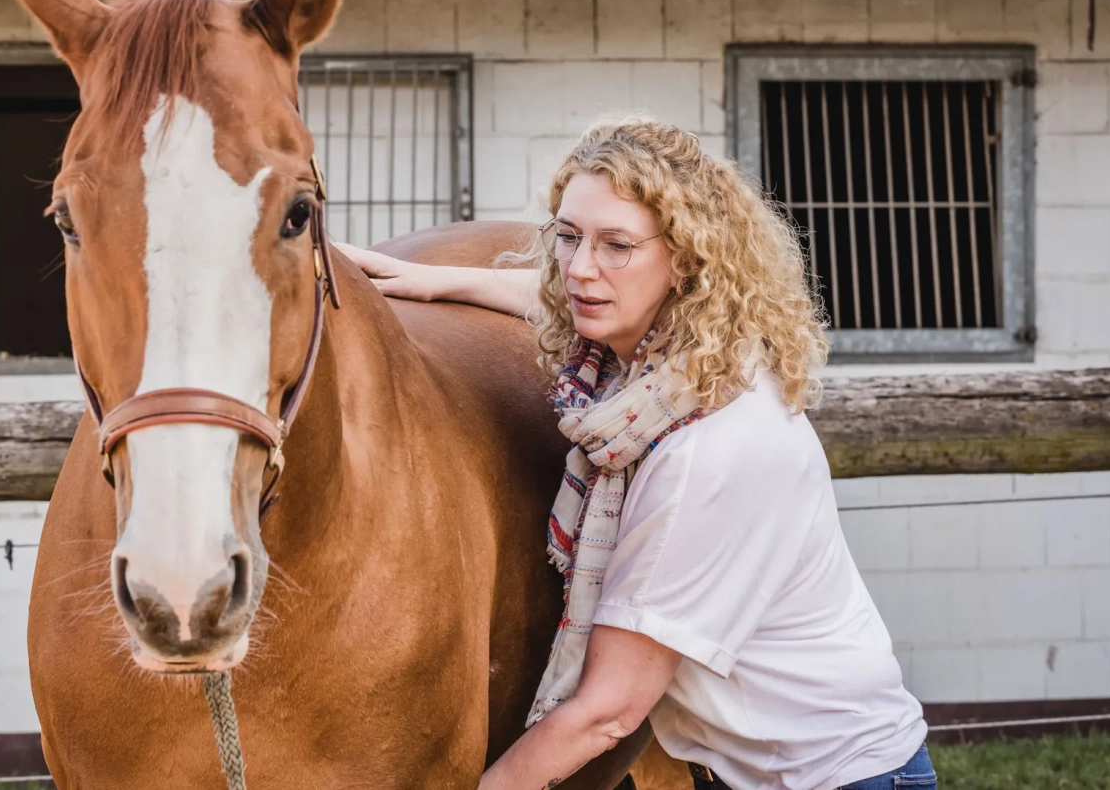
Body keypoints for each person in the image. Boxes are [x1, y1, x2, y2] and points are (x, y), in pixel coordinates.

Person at [339, 118, 934, 790]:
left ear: (684, 258)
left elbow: (608, 713)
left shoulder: (703, 452)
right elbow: (551, 299)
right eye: (568, 238)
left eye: (616, 245)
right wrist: (431, 281)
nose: (580, 270)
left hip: (833, 778)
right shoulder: (678, 365)